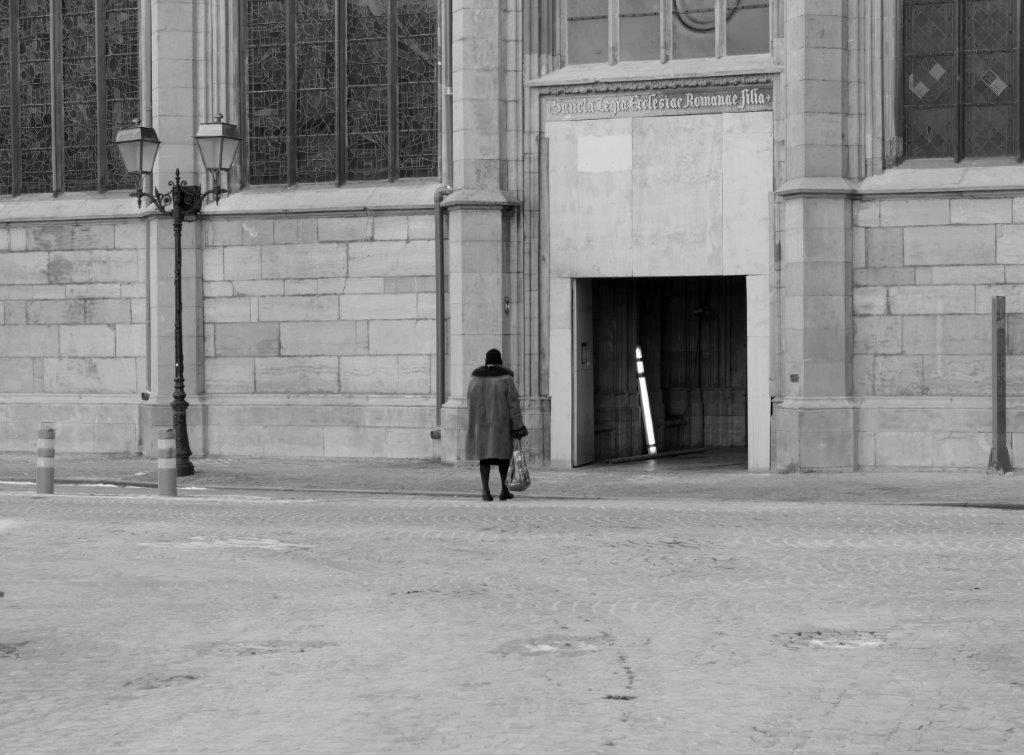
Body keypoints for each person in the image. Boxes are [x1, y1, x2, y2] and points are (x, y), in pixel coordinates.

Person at [465, 348, 528, 501]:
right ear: (500, 362)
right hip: (501, 426)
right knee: (503, 459)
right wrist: (518, 427)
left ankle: (485, 491)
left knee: (484, 459)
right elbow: (514, 405)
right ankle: (504, 490)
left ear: (486, 362)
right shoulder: (506, 379)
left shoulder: (475, 380)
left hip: (480, 425)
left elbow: (469, 403)